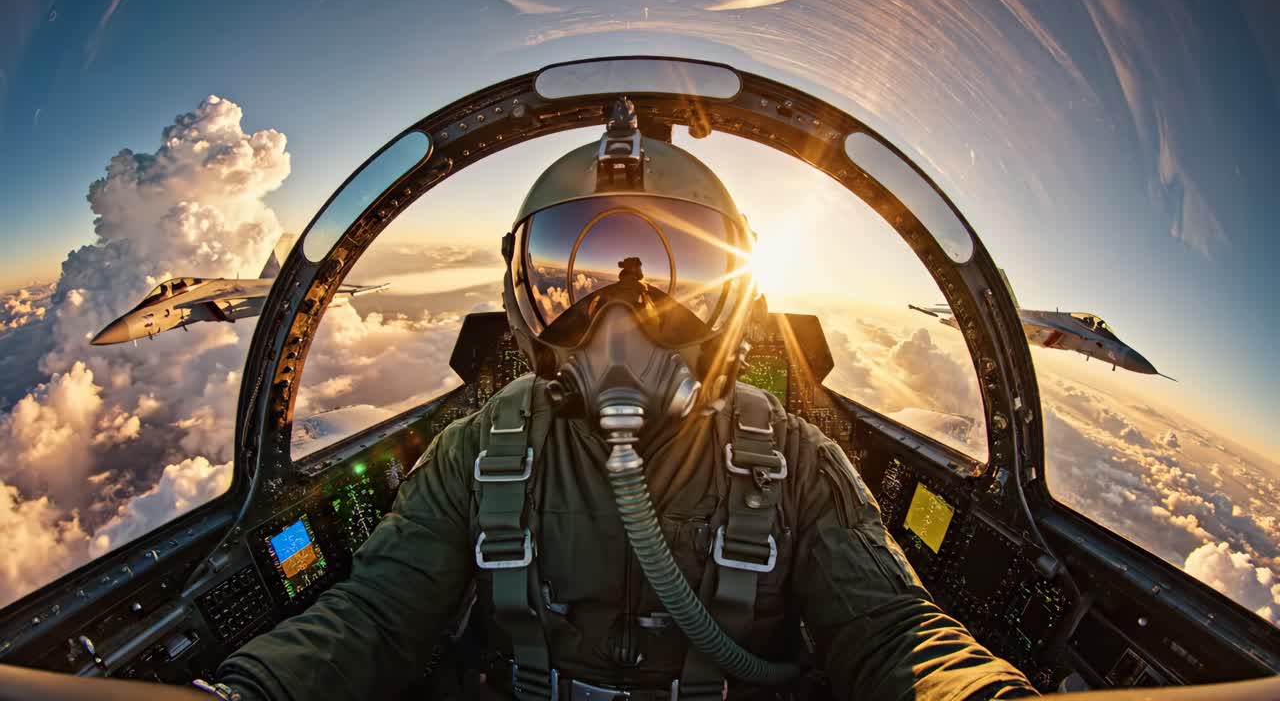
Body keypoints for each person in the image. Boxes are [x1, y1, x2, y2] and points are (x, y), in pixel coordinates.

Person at [0, 101, 1037, 701]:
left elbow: (897, 636)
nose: (620, 322)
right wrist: (247, 695)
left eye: (671, 284)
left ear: (733, 306)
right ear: (523, 299)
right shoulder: (479, 452)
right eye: (571, 281)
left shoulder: (797, 461)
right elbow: (372, 618)